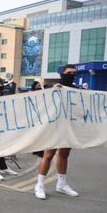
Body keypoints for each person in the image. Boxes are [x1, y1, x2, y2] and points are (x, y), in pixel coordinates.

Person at [33, 64, 81, 200]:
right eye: (69, 72)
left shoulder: (76, 90)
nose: (72, 75)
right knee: (48, 155)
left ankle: (61, 184)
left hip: (68, 127)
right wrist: (53, 89)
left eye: (74, 73)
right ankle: (39, 185)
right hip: (53, 127)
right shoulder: (53, 87)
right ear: (62, 74)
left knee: (64, 154)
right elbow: (41, 99)